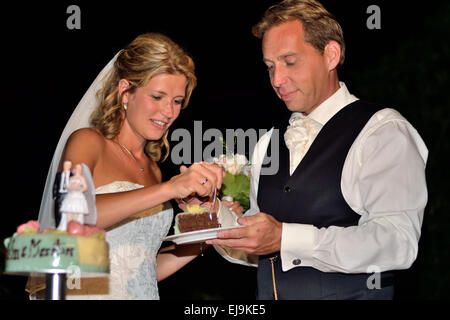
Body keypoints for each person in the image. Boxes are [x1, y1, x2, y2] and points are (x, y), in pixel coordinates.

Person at [208, 0, 428, 300]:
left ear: (331, 55)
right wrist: (214, 215)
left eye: (290, 61)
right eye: (270, 66)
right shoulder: (267, 143)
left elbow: (396, 243)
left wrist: (287, 237)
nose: (277, 80)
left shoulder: (382, 131)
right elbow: (260, 249)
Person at [35, 32, 224, 299]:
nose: (168, 112)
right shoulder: (88, 142)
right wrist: (170, 188)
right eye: (157, 97)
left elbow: (145, 268)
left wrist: (206, 227)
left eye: (177, 101)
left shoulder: (154, 169)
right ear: (125, 91)